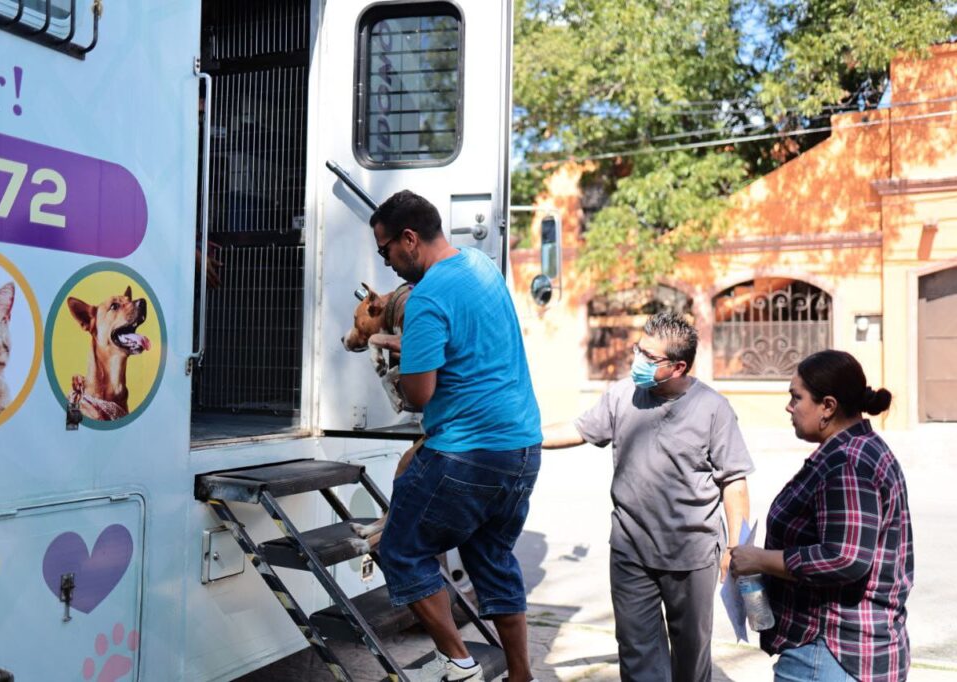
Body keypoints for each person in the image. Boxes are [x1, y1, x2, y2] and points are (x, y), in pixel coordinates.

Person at [371, 190, 542, 682]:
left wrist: (400, 363)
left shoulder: (426, 296)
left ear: (409, 239)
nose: (387, 263)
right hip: (522, 449)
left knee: (400, 549)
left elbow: (420, 394)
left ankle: (458, 662)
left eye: (386, 251)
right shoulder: (482, 267)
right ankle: (520, 675)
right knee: (492, 559)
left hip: (465, 453)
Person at [543, 312, 753, 682]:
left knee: (690, 658)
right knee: (637, 655)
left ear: (679, 366)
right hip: (630, 550)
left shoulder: (712, 409)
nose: (636, 360)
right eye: (639, 350)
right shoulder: (624, 394)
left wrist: (735, 546)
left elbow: (733, 480)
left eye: (649, 357)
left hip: (691, 554)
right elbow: (578, 429)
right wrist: (519, 436)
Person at [730, 350, 913, 682]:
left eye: (796, 397)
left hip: (832, 651)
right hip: (839, 650)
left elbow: (845, 558)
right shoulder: (855, 449)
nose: (789, 407)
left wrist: (760, 559)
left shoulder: (848, 463)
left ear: (827, 406)